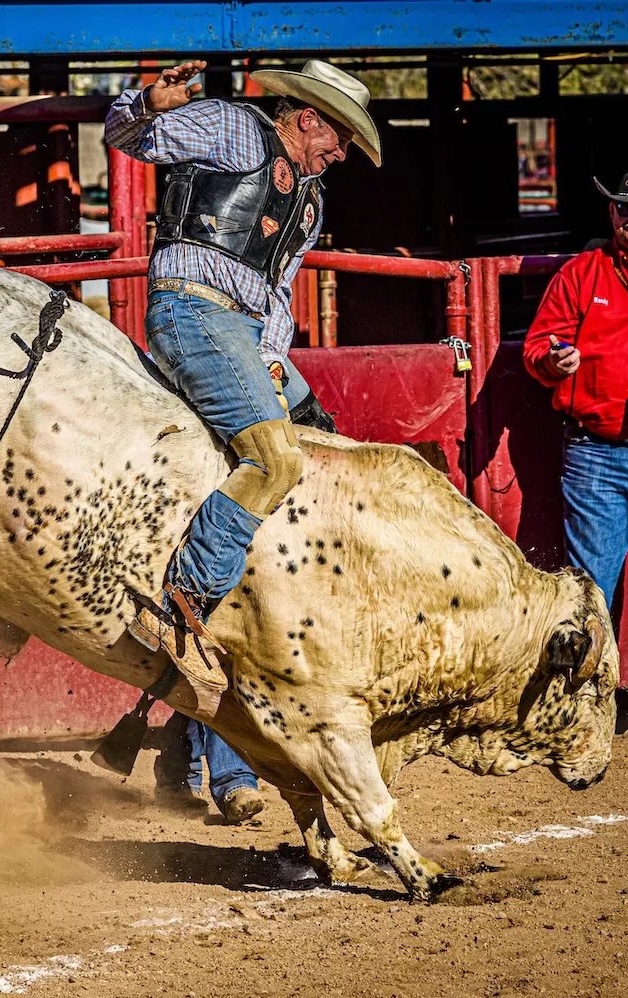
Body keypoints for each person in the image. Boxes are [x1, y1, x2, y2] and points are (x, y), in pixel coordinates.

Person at [105, 58, 381, 692]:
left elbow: (277, 295)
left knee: (324, 446)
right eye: (339, 140)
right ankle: (183, 604)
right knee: (277, 463)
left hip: (243, 335)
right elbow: (124, 138)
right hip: (193, 309)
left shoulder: (308, 203)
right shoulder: (234, 131)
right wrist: (150, 103)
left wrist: (273, 359)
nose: (341, 156)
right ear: (309, 119)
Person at [523, 162, 628, 739]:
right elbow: (540, 345)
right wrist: (553, 361)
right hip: (596, 447)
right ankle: (584, 700)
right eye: (626, 209)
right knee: (592, 581)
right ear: (612, 213)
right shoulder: (580, 274)